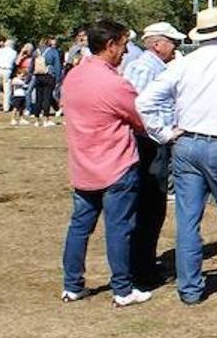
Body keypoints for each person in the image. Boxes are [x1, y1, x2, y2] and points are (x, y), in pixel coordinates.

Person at [137, 7, 217, 304]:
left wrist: (164, 133)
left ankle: (191, 288)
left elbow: (144, 101)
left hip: (187, 145)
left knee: (188, 220)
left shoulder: (183, 64)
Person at [58, 19, 151, 307]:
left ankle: (72, 285)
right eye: (123, 45)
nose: (126, 52)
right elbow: (140, 120)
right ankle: (122, 289)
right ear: (110, 45)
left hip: (83, 165)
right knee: (119, 228)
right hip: (116, 166)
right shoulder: (115, 83)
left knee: (79, 227)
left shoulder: (73, 77)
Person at [123, 21, 187, 288]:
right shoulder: (144, 68)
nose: (177, 48)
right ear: (158, 44)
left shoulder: (150, 67)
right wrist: (164, 132)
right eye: (174, 42)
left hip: (150, 142)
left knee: (152, 206)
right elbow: (137, 107)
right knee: (150, 206)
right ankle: (142, 268)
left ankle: (143, 263)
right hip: (148, 144)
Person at [32, 36, 63, 126]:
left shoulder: (36, 52)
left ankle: (37, 120)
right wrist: (58, 78)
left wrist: (30, 76)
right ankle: (46, 119)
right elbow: (57, 66)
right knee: (47, 97)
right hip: (49, 75)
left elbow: (32, 65)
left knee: (38, 97)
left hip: (38, 75)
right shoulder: (53, 52)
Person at [9, 44, 32, 125]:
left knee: (22, 107)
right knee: (15, 107)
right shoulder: (16, 80)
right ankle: (13, 119)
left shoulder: (31, 58)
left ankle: (21, 118)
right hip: (17, 95)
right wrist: (22, 54)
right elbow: (16, 63)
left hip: (22, 95)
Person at [0, 37, 17, 112]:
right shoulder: (14, 52)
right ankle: (6, 107)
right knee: (7, 89)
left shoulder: (0, 50)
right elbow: (14, 62)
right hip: (7, 70)